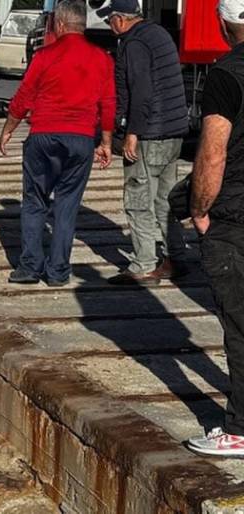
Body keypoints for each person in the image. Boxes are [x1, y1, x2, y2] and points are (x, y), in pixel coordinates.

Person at [0, 0, 114, 287]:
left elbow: (24, 94)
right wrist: (107, 142)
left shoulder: (45, 55)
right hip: (81, 138)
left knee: (35, 200)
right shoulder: (102, 58)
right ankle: (58, 271)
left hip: (44, 135)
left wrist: (8, 129)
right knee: (67, 205)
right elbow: (109, 104)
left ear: (59, 25)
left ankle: (30, 267)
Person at [98, 0, 190, 286]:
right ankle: (174, 257)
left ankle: (144, 264)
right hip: (173, 131)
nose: (108, 25)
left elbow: (141, 91)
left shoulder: (134, 43)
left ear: (121, 19)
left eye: (109, 19)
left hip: (150, 133)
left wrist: (132, 133)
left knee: (138, 199)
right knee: (166, 200)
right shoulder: (158, 34)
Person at [187, 0, 244, 457]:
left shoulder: (227, 73)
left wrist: (200, 208)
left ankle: (241, 428)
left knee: (240, 324)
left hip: (235, 218)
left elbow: (213, 153)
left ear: (225, 25)